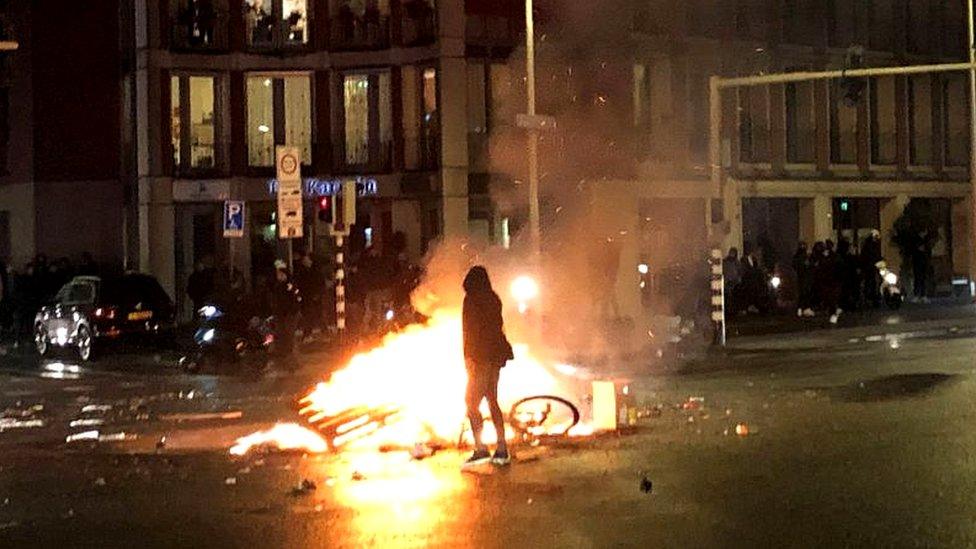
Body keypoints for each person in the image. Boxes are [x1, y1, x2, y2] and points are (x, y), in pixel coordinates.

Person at [461, 266, 514, 469]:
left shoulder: (471, 300)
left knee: (471, 403)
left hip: (480, 358)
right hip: (494, 356)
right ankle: (501, 448)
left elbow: (470, 332)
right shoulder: (493, 298)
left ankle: (481, 448)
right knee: (492, 400)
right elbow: (496, 327)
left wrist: (469, 357)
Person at [270, 260, 302, 361]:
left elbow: (295, 298)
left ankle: (289, 352)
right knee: (280, 332)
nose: (278, 276)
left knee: (289, 332)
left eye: (280, 274)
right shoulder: (277, 286)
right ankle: (281, 351)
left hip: (290, 313)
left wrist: (292, 310)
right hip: (281, 313)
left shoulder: (290, 286)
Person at [860, 230, 883, 308]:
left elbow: (877, 256)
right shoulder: (869, 245)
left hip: (874, 267)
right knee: (870, 283)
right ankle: (870, 298)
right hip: (869, 268)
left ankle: (875, 298)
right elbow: (867, 257)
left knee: (876, 282)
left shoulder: (874, 245)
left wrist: (881, 260)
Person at [793, 243, 814, 317]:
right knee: (805, 294)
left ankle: (800, 309)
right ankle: (805, 308)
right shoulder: (804, 257)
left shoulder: (798, 257)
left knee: (802, 294)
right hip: (805, 278)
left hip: (802, 278)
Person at [722, 248, 743, 314]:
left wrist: (737, 279)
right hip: (726, 282)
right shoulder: (725, 262)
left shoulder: (737, 262)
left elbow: (740, 272)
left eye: (733, 253)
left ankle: (733, 310)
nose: (732, 254)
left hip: (735, 283)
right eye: (731, 253)